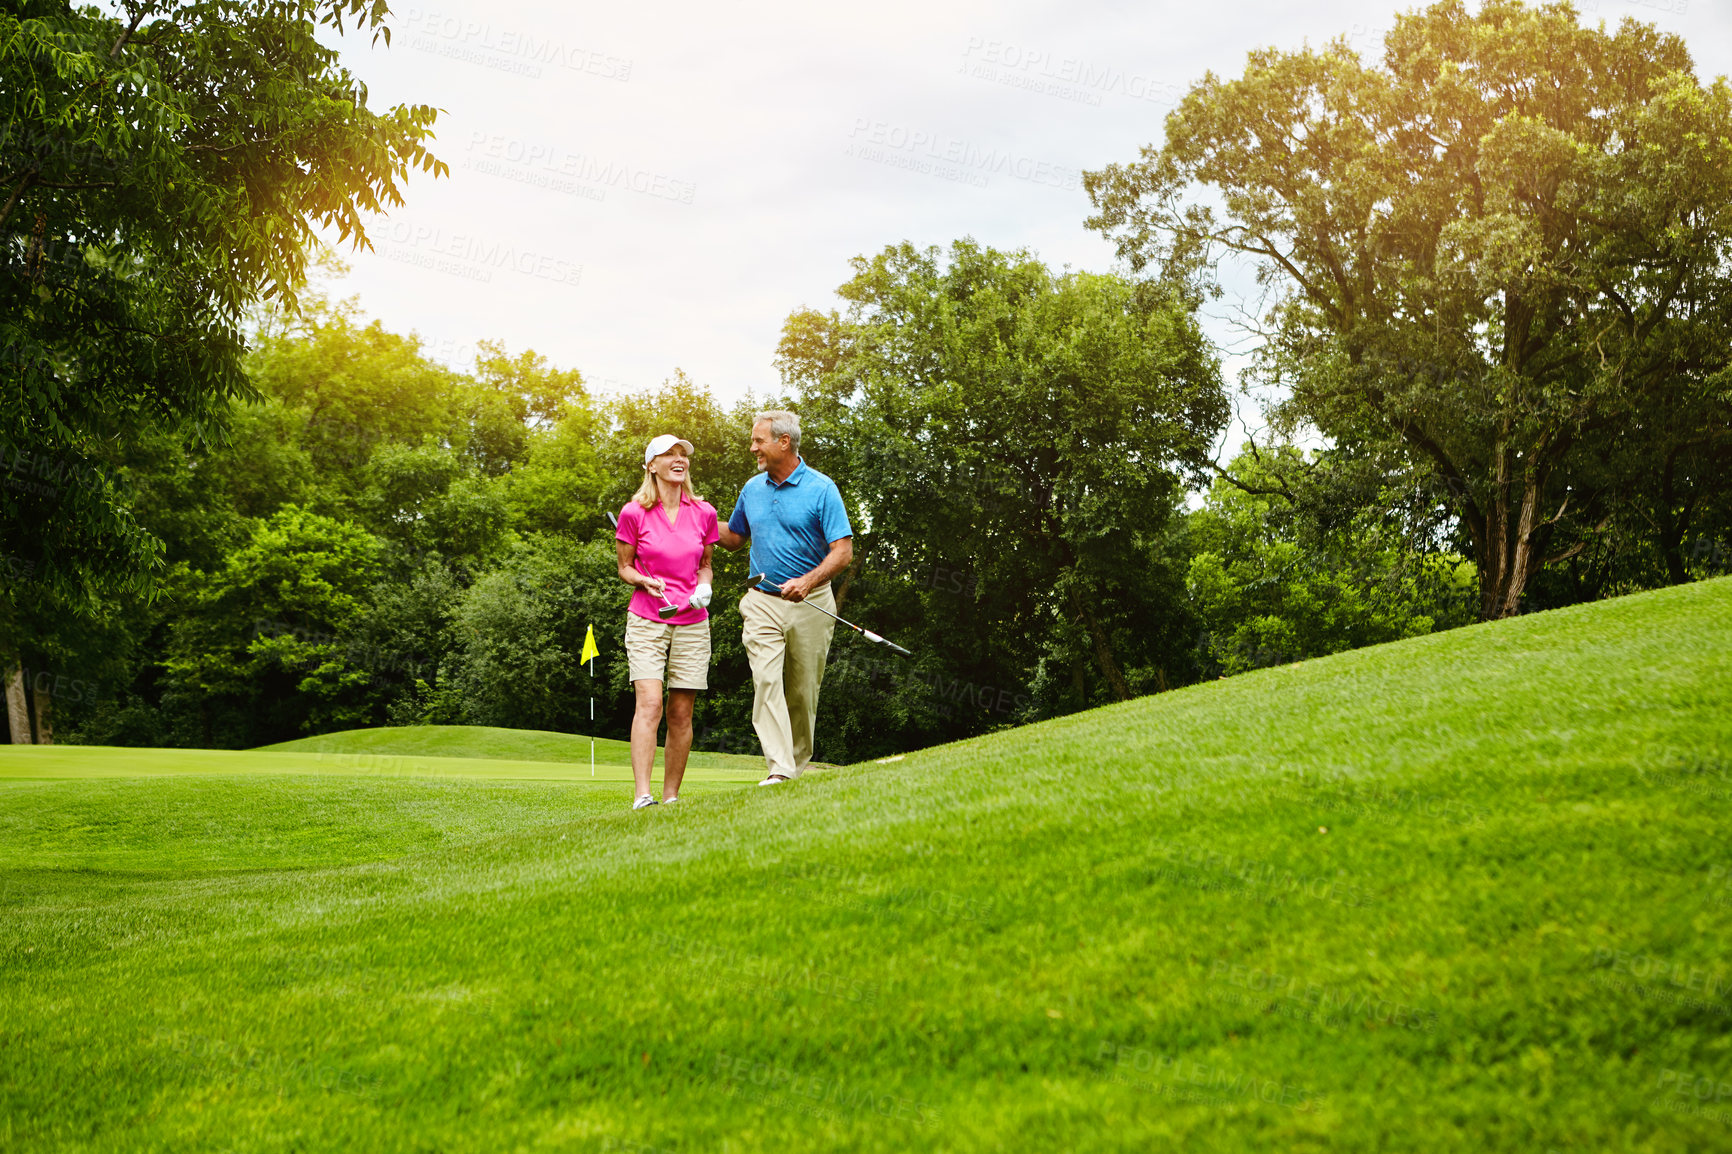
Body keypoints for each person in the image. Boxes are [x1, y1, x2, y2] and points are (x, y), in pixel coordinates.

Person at [716, 410, 853, 786]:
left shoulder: (822, 488)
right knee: (766, 681)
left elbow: (842, 552)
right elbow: (733, 538)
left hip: (811, 603)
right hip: (761, 600)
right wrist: (697, 518)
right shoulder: (752, 489)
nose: (752, 447)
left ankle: (795, 764)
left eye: (758, 440)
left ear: (784, 442)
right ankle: (779, 767)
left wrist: (808, 581)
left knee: (802, 691)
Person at [615, 434, 718, 810]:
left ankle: (671, 796)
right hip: (647, 617)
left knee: (681, 711)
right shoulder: (634, 512)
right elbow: (624, 567)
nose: (679, 459)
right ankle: (643, 794)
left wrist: (704, 588)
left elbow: (705, 565)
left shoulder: (703, 511)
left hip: (692, 619)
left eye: (683, 455)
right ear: (651, 465)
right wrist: (643, 580)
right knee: (651, 703)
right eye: (669, 454)